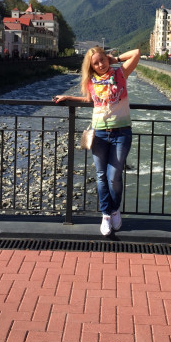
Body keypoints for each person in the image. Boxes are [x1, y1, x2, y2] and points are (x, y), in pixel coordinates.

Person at [54, 47, 141, 236]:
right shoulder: (91, 81)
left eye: (102, 60)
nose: (101, 64)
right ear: (91, 66)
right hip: (99, 134)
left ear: (107, 58)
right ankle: (106, 215)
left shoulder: (120, 73)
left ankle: (115, 209)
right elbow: (89, 100)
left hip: (121, 132)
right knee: (101, 176)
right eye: (96, 63)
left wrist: (115, 59)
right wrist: (68, 98)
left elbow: (136, 53)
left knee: (114, 176)